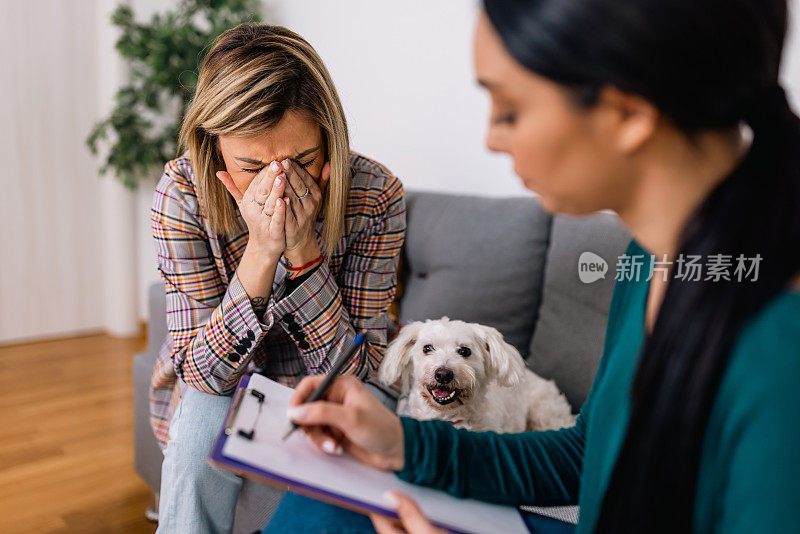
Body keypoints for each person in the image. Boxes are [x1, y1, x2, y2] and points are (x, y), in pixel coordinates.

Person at [264, 1, 800, 533]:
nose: (491, 138)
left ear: (628, 113)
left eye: (509, 109)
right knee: (318, 501)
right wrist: (404, 443)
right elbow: (588, 457)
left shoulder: (777, 351)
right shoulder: (647, 260)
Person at [149, 24, 406, 533]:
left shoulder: (375, 195)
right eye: (251, 165)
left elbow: (365, 373)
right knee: (200, 421)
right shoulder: (182, 195)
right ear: (214, 148)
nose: (279, 186)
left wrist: (304, 253)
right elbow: (201, 375)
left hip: (332, 383)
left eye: (303, 161)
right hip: (222, 386)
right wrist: (263, 252)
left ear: (329, 142)